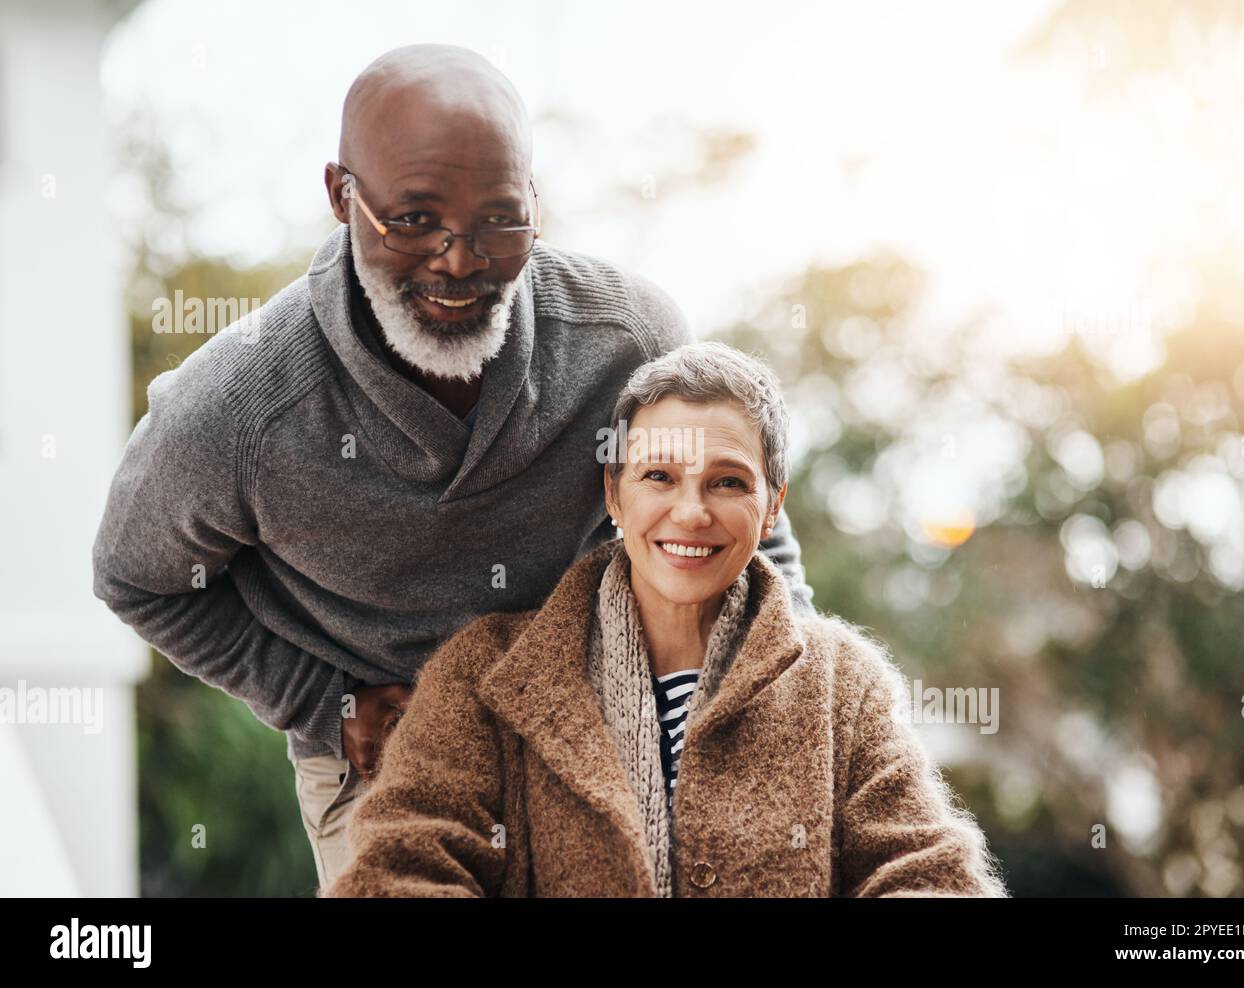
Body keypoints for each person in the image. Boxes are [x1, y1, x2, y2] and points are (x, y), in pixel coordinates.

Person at [90, 46, 816, 895]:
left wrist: (796, 692)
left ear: (537, 204)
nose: (459, 261)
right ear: (341, 197)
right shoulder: (236, 411)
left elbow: (745, 518)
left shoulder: (629, 338)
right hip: (391, 761)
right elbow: (136, 578)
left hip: (604, 725)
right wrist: (325, 701)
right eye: (414, 220)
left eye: (500, 221)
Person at [326, 342, 1007, 897]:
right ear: (613, 493)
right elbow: (402, 869)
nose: (691, 512)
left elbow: (926, 873)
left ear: (772, 507)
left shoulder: (843, 682)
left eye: (728, 481)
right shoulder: (483, 673)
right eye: (659, 477)